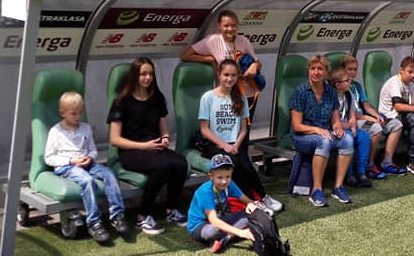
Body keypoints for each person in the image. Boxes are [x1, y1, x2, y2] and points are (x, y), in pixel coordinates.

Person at [108, 57, 189, 234]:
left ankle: (171, 210)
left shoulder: (157, 98)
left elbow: (163, 128)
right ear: (134, 76)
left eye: (150, 74)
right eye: (143, 74)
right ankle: (142, 216)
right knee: (162, 165)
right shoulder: (121, 102)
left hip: (154, 147)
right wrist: (144, 146)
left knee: (180, 163)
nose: (147, 78)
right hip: (131, 152)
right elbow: (115, 139)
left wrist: (165, 138)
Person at [197, 59, 283, 213]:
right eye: (226, 75)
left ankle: (263, 197)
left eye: (233, 75)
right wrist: (225, 146)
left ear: (238, 77)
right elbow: (204, 130)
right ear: (219, 74)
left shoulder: (241, 98)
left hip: (235, 143)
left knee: (247, 165)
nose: (229, 79)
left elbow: (244, 129)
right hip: (214, 144)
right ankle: (252, 202)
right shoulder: (208, 97)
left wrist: (235, 145)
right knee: (235, 163)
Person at [45, 92, 129, 243]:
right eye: (74, 113)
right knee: (87, 180)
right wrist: (71, 160)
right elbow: (49, 158)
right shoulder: (55, 132)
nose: (78, 116)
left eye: (80, 112)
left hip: (87, 163)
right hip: (67, 166)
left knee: (110, 174)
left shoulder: (86, 128)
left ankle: (117, 215)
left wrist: (89, 157)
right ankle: (94, 223)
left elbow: (93, 150)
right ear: (62, 113)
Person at [288, 55, 354, 207]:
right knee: (324, 141)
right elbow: (297, 126)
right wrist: (317, 130)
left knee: (348, 139)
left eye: (320, 69)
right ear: (308, 71)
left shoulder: (331, 92)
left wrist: (337, 127)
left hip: (325, 133)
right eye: (313, 68)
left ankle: (338, 187)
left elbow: (335, 120)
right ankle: (316, 190)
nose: (316, 72)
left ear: (325, 72)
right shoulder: (301, 92)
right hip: (302, 136)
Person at [182, 10, 264, 120]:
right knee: (228, 128)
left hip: (247, 94)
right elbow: (186, 56)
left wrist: (254, 66)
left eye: (233, 25)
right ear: (219, 26)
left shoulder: (243, 40)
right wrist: (210, 59)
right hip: (227, 95)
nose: (230, 29)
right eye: (226, 26)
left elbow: (258, 63)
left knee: (245, 128)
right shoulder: (212, 40)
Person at [187, 154, 260, 253]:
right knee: (214, 231)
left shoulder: (230, 184)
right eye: (220, 177)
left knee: (252, 214)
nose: (224, 181)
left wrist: (250, 204)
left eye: (228, 176)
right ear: (210, 176)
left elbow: (247, 200)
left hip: (221, 219)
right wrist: (240, 232)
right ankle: (230, 235)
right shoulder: (205, 192)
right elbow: (214, 221)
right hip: (200, 226)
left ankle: (224, 238)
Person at [341, 55, 389, 180]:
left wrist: (376, 115)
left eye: (355, 69)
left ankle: (379, 162)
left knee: (384, 123)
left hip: (362, 118)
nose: (353, 72)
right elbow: (348, 112)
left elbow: (366, 105)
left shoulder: (357, 86)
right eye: (349, 69)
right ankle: (369, 164)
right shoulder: (342, 87)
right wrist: (367, 118)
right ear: (343, 70)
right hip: (352, 120)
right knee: (376, 128)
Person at [328, 66, 373, 188]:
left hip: (347, 126)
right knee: (349, 139)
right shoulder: (331, 97)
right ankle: (349, 173)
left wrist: (353, 126)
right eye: (347, 80)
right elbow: (333, 121)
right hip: (334, 129)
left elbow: (352, 115)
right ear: (338, 85)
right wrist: (348, 127)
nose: (350, 82)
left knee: (364, 136)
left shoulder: (348, 94)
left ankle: (361, 172)